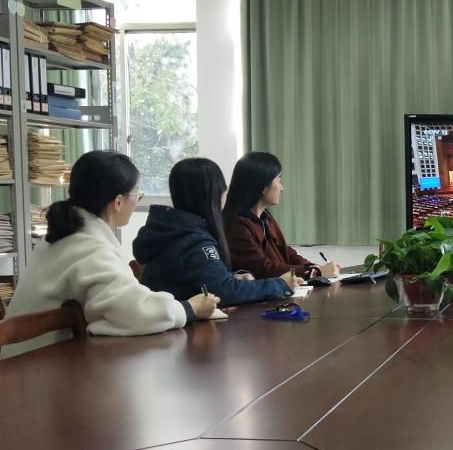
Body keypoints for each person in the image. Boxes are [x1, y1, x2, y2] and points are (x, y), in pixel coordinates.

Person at [2, 151, 219, 359]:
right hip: (33, 369)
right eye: (137, 194)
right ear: (118, 202)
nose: (138, 200)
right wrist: (190, 308)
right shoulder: (88, 247)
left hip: (30, 360)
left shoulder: (68, 234)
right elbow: (135, 312)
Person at [134, 158, 301, 306]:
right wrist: (280, 284)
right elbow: (225, 291)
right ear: (211, 195)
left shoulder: (173, 230)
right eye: (223, 191)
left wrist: (233, 277)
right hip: (182, 327)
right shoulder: (194, 241)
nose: (225, 197)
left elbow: (199, 279)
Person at [223, 151, 341, 279]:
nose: (282, 187)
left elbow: (288, 254)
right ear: (263, 186)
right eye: (278, 180)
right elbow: (264, 269)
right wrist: (314, 272)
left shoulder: (266, 219)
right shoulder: (238, 226)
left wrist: (313, 267)